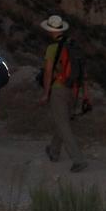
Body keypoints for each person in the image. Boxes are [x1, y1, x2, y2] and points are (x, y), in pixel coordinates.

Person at [38, 14, 87, 172]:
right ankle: (53, 150)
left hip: (58, 88)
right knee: (63, 120)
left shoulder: (52, 48)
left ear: (51, 31)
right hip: (73, 89)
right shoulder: (72, 45)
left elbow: (47, 72)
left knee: (63, 124)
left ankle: (78, 159)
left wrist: (46, 93)